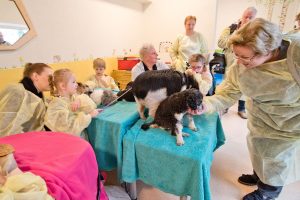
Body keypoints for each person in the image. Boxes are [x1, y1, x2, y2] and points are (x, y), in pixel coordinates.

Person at [203, 18, 300, 200]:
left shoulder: (296, 54)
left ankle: (267, 193)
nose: (239, 62)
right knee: (257, 150)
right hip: (259, 119)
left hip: (289, 124)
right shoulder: (238, 66)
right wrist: (206, 104)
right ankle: (259, 176)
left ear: (269, 50)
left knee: (276, 160)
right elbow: (228, 92)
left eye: (245, 57)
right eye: (236, 55)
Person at [217, 7, 257, 119]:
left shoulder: (256, 32)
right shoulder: (231, 28)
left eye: (251, 17)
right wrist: (235, 41)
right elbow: (220, 42)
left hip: (247, 64)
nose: (247, 19)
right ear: (242, 15)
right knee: (229, 84)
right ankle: (225, 106)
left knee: (245, 84)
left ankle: (241, 108)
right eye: (246, 16)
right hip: (230, 62)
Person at [0, 63, 53, 136]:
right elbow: (6, 124)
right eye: (50, 77)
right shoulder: (16, 91)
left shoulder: (38, 94)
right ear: (35, 76)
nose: (53, 81)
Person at [45, 69, 101, 138]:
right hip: (69, 143)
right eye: (73, 82)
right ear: (62, 86)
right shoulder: (56, 105)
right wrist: (89, 116)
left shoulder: (73, 97)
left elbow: (92, 106)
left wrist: (79, 100)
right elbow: (70, 129)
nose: (77, 84)